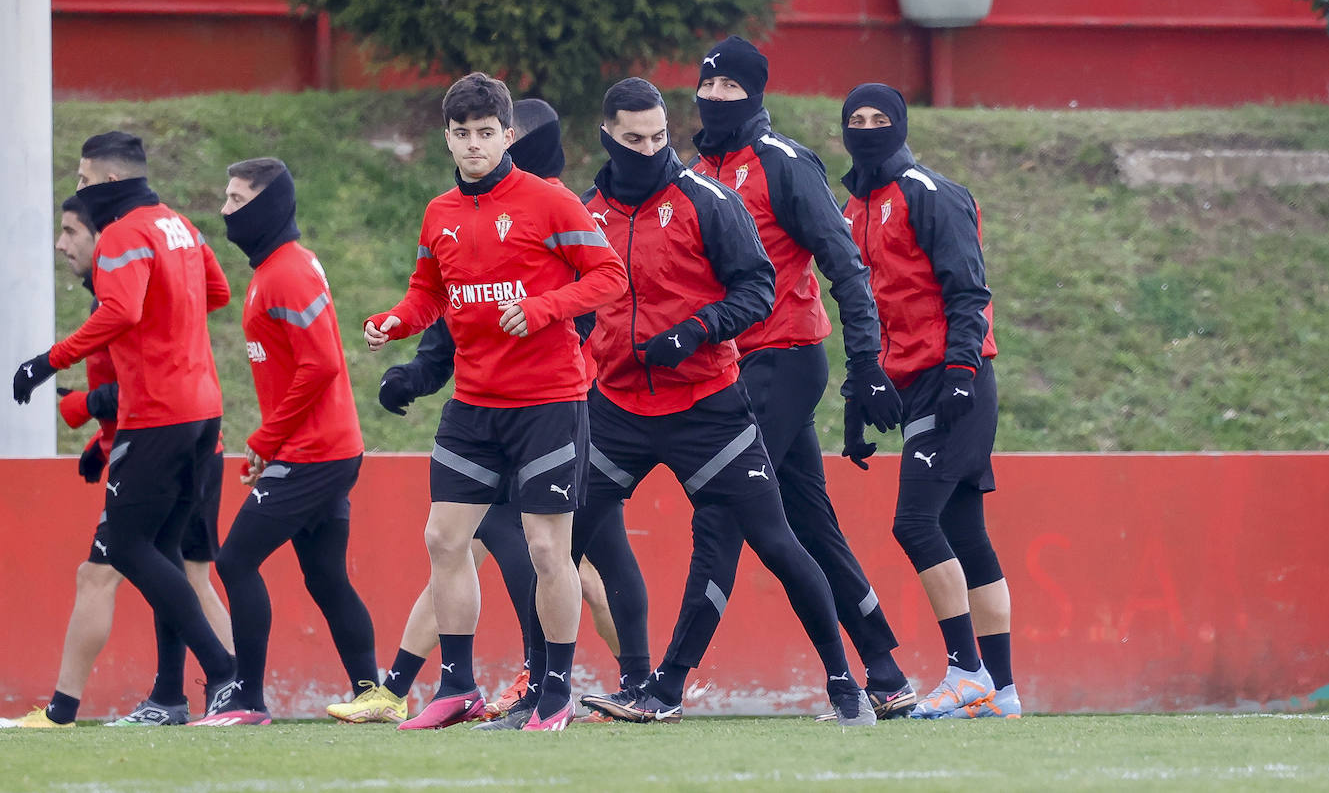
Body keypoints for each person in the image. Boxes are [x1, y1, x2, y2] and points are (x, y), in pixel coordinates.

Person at [594, 35, 913, 721]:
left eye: (730, 91)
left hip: (781, 358)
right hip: (723, 365)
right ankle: (884, 671)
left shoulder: (786, 165)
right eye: (705, 90)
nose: (714, 100)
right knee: (804, 522)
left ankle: (667, 685)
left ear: (757, 95)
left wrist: (865, 366)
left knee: (723, 518)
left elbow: (845, 266)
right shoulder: (680, 174)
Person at [327, 100, 633, 727]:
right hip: (473, 405)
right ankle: (458, 686)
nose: (473, 145)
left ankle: (554, 693)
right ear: (447, 137)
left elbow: (610, 276)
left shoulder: (549, 202)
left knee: (550, 551)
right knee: (442, 538)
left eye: (485, 133)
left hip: (547, 402)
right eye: (462, 134)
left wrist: (546, 308)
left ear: (507, 135)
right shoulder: (439, 211)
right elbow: (429, 294)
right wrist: (394, 322)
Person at [11, 131, 238, 720]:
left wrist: (45, 363)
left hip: (158, 411)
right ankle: (170, 695)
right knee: (162, 549)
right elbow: (217, 291)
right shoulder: (180, 225)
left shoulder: (121, 235)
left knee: (130, 549)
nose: (79, 190)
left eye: (84, 180)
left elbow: (120, 312)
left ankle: (223, 671)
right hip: (203, 409)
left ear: (109, 181)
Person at [837, 83, 1019, 719]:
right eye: (855, 120)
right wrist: (859, 399)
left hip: (952, 379)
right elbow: (874, 310)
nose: (866, 128)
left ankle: (966, 670)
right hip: (910, 380)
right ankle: (1001, 691)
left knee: (914, 524)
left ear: (902, 125)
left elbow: (968, 290)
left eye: (878, 119)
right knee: (966, 533)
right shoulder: (857, 204)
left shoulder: (930, 193)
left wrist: (963, 371)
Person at [187, 157, 379, 726]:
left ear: (267, 205)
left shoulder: (287, 272)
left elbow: (320, 365)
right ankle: (371, 692)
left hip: (315, 453)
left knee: (237, 560)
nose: (225, 210)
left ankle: (247, 700)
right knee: (324, 576)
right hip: (318, 449)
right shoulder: (279, 266)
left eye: (236, 198)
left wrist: (267, 438)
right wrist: (270, 444)